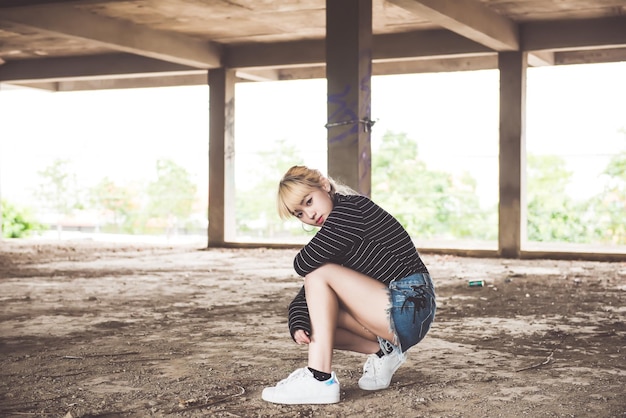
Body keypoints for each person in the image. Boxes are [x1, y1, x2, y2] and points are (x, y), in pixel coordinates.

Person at [261, 165, 436, 405]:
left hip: (410, 302)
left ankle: (319, 378)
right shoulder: (335, 233)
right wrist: (298, 319)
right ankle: (383, 352)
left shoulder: (351, 210)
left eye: (309, 201)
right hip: (397, 312)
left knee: (317, 276)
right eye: (299, 213)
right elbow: (312, 294)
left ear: (324, 185)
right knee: (317, 317)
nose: (309, 215)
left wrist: (309, 292)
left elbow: (303, 264)